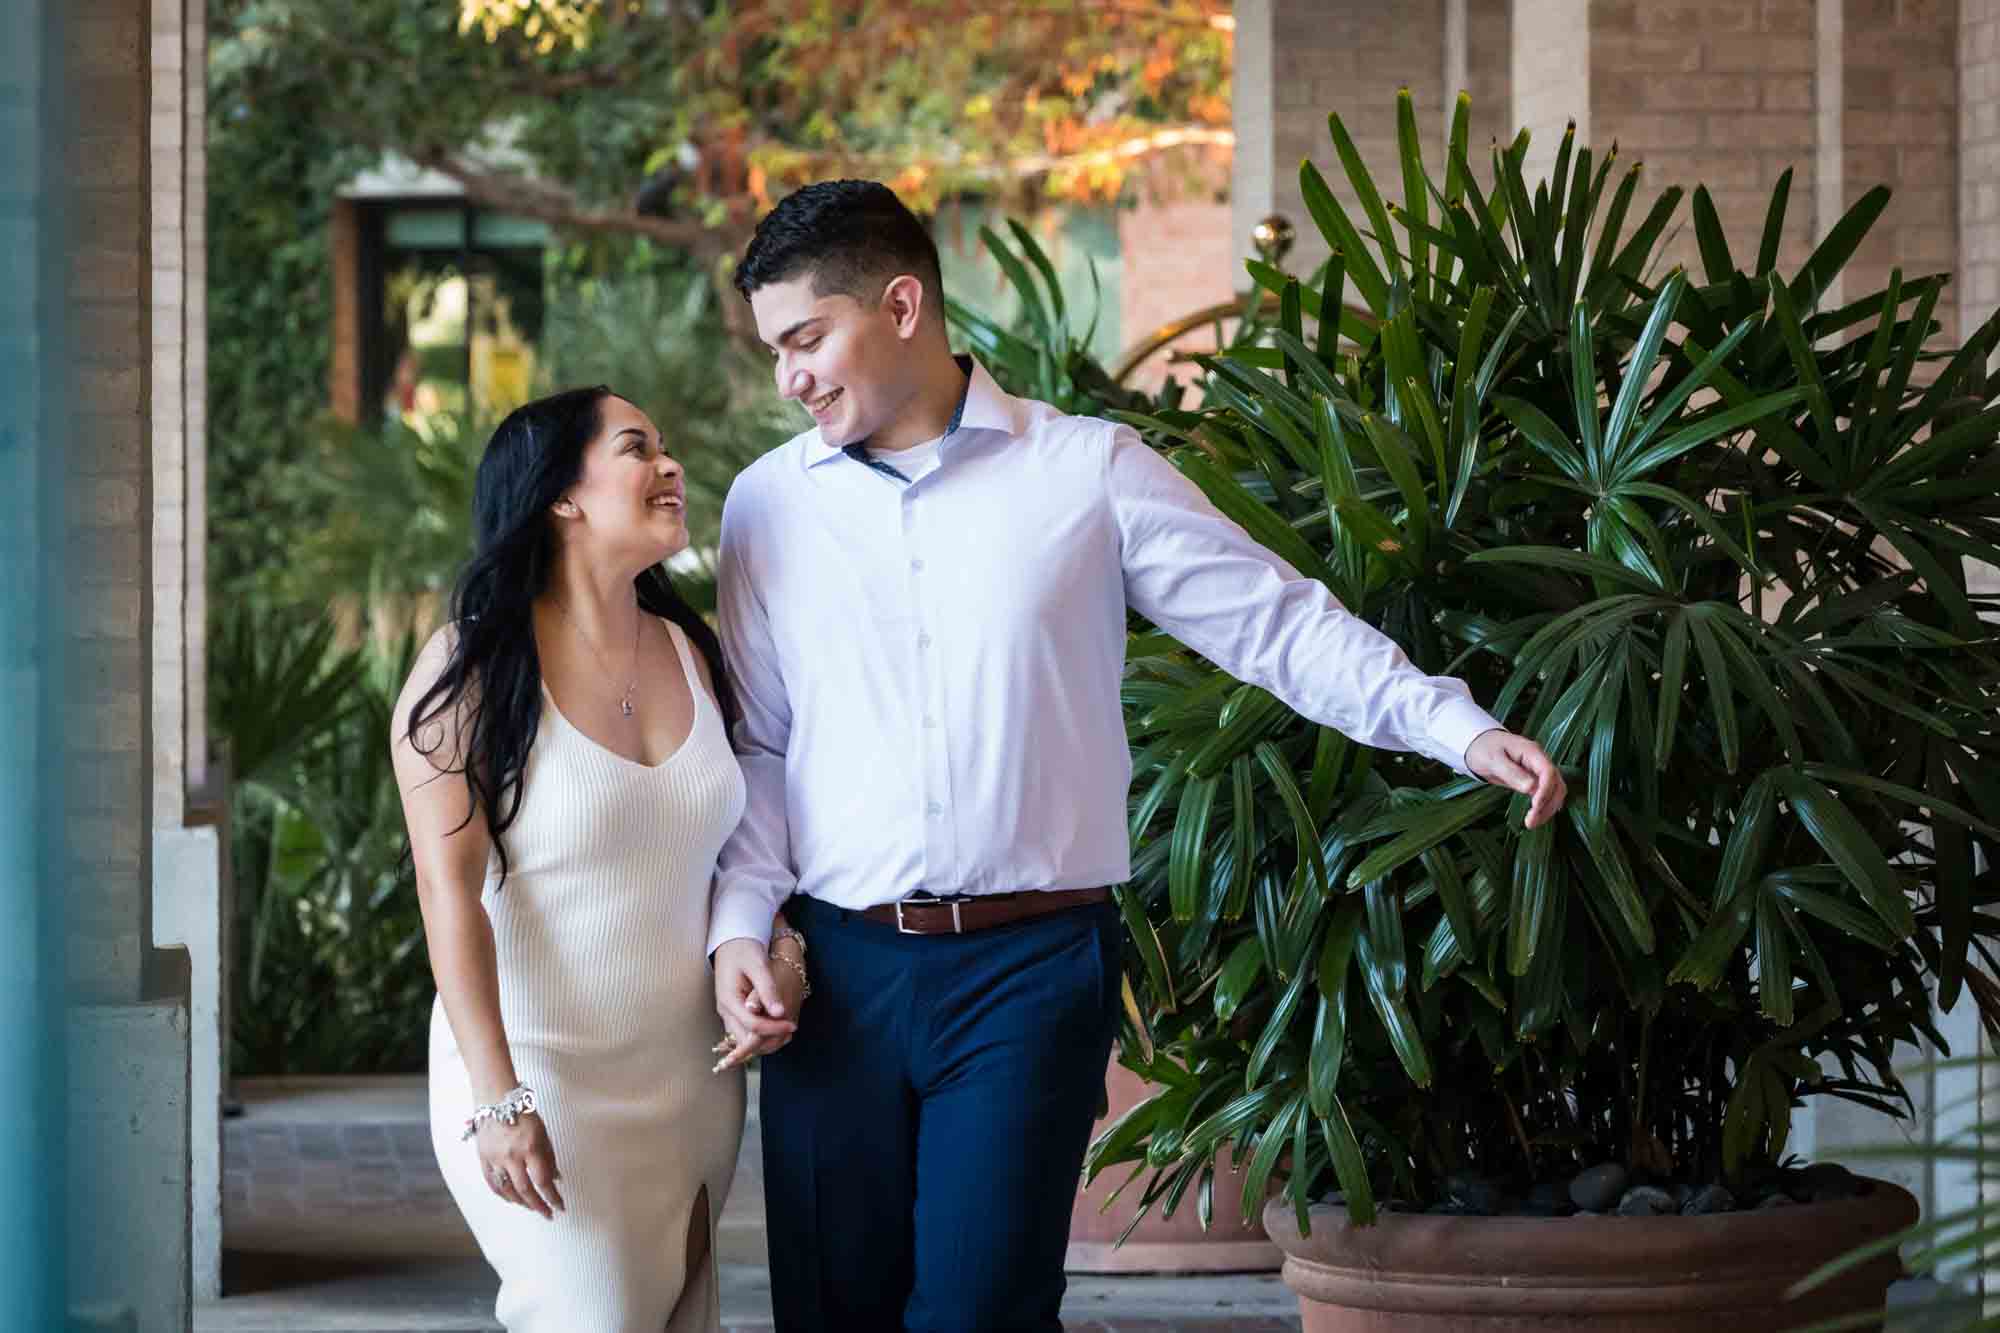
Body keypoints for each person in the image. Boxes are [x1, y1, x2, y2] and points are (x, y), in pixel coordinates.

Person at [707, 180, 1568, 1333]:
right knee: (835, 1313)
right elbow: (759, 742)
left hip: (1025, 972)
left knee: (980, 1314)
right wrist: (739, 928)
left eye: (807, 338)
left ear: (901, 304)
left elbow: (1274, 622)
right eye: (775, 351)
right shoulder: (766, 506)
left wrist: (1452, 724)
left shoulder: (1087, 472)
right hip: (837, 976)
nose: (790, 377)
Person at [391, 386, 805, 1332]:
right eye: (636, 449)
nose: (670, 466)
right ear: (561, 496)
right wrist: (499, 1098)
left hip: (691, 1083)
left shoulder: (694, 649)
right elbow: (444, 893)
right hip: (540, 1073)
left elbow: (725, 846)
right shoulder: (467, 672)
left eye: (666, 446)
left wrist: (777, 952)